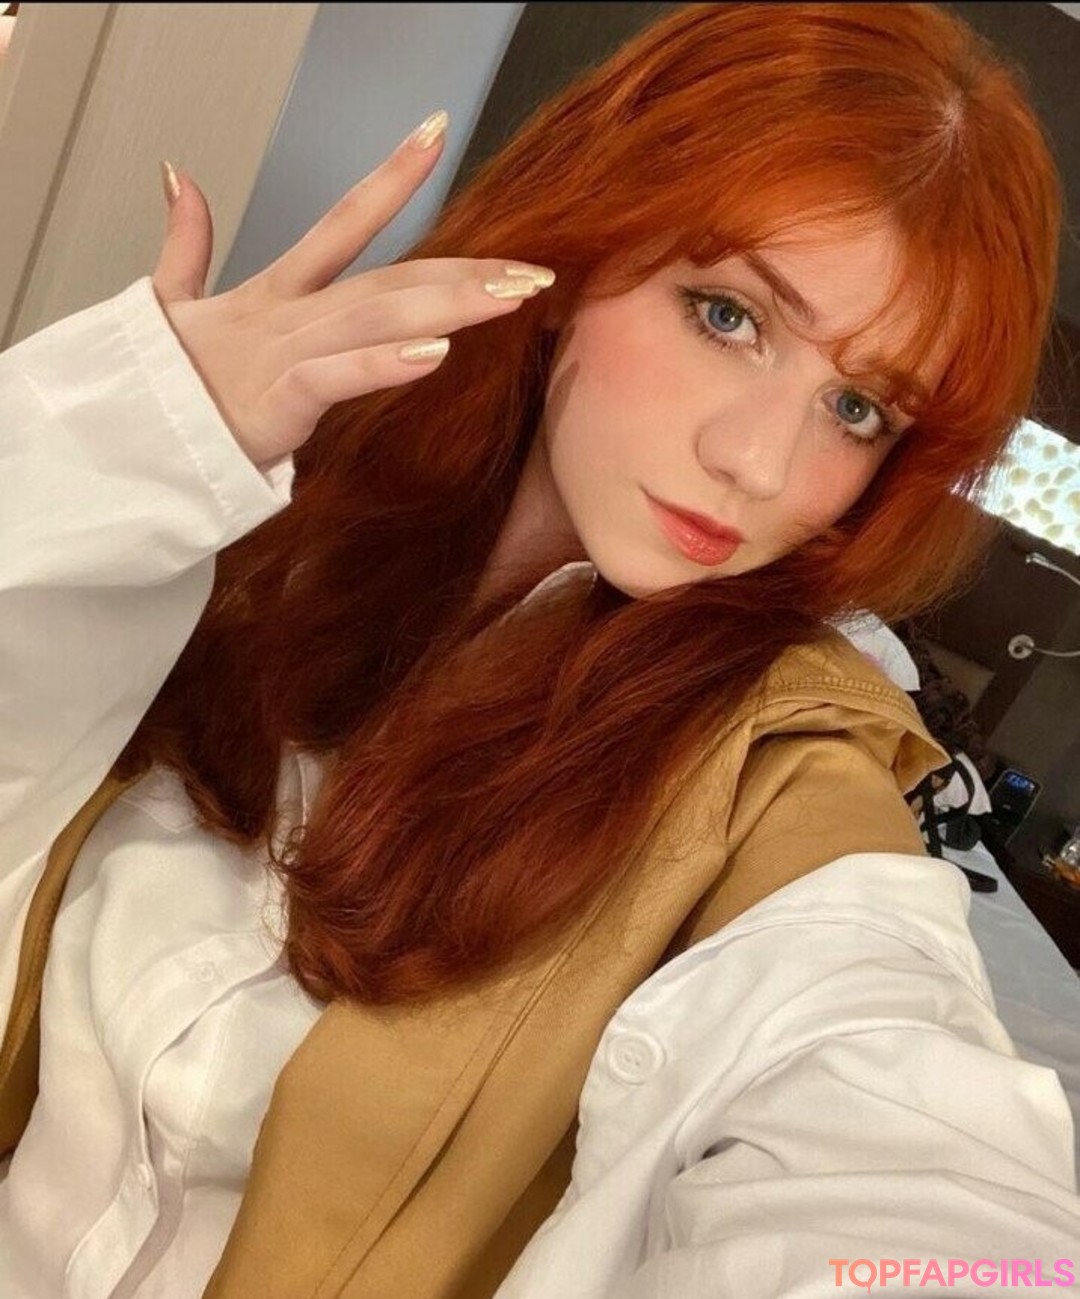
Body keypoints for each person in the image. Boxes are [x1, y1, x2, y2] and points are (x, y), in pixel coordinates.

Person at [1, 3, 1078, 1296]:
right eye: (729, 315)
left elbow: (908, 1146)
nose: (759, 464)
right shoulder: (273, 510)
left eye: (857, 408)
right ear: (582, 245)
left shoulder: (781, 777)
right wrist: (121, 451)